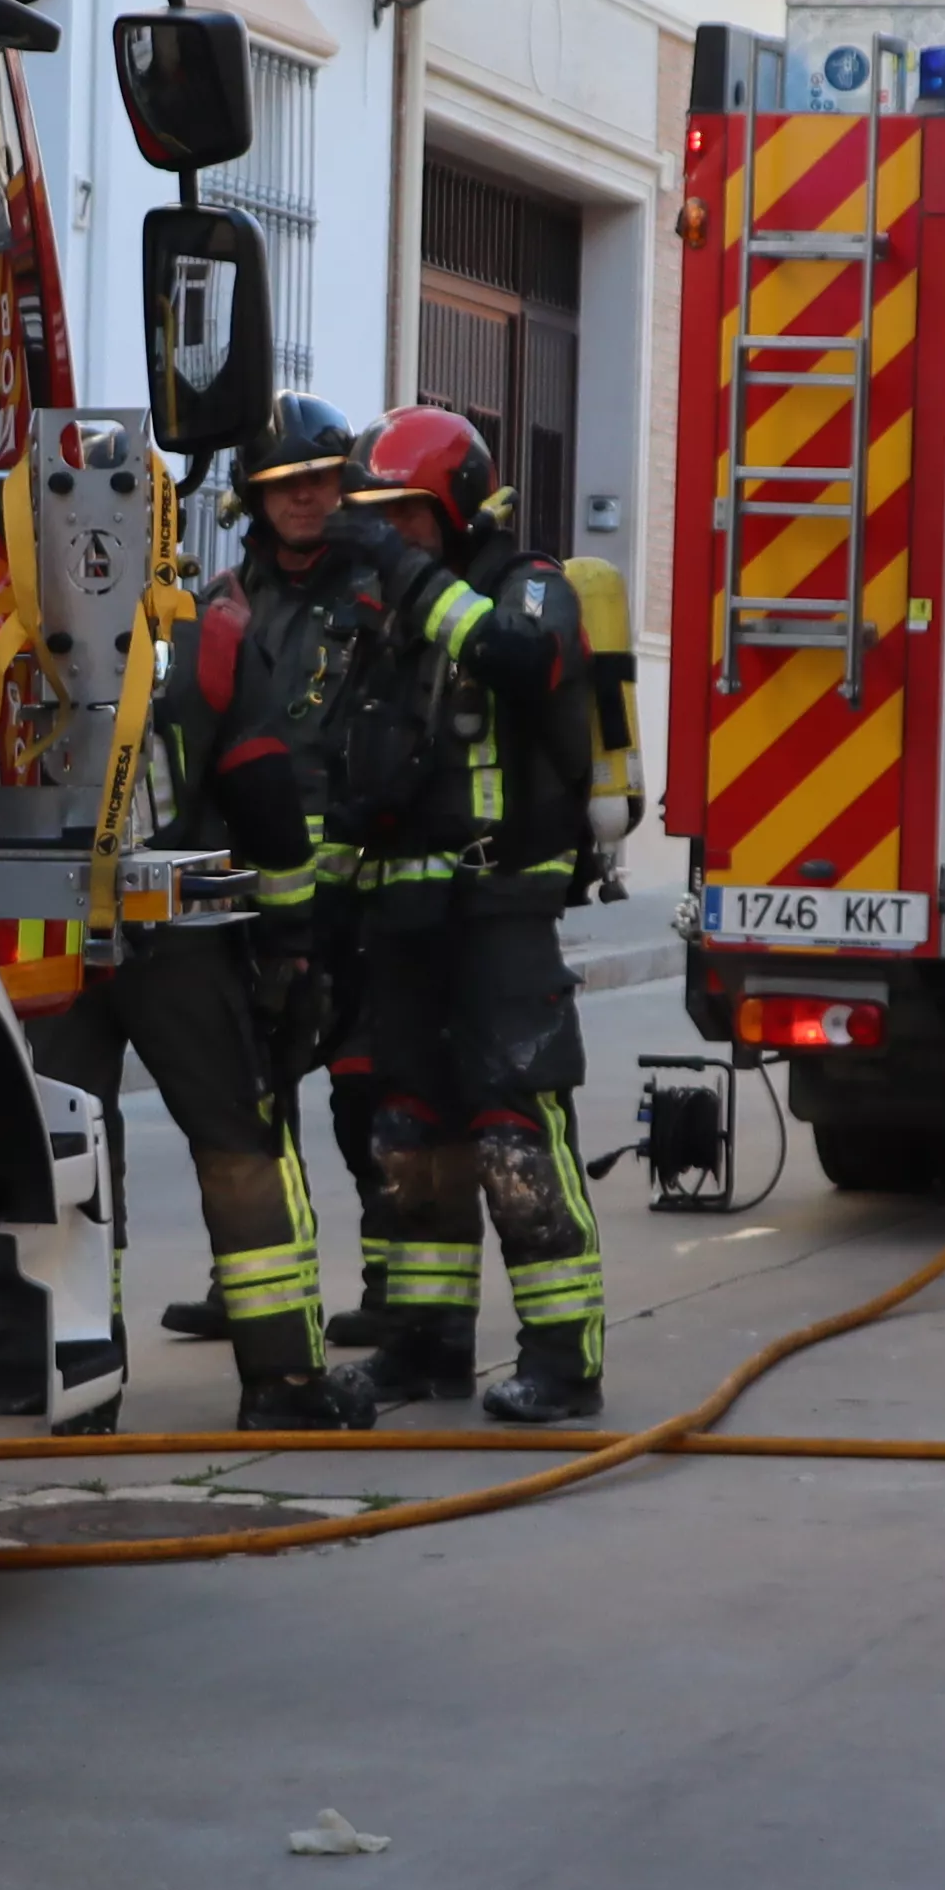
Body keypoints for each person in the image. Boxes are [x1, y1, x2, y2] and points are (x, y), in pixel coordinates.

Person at [316, 406, 610, 1425]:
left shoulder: (529, 586)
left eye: (405, 514)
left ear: (454, 504)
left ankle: (564, 1362)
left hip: (500, 909)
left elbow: (522, 659)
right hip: (400, 914)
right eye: (376, 517)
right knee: (411, 1139)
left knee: (513, 1136)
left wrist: (406, 577)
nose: (389, 534)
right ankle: (423, 1348)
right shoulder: (380, 610)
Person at [111, 395, 384, 1431]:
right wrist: (283, 932)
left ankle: (63, 1376)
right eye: (282, 487)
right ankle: (282, 1375)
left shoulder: (9, 622)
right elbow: (264, 789)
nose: (305, 501)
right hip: (200, 915)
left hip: (54, 929)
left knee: (70, 1145)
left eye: (319, 481)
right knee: (243, 1130)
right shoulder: (216, 619)